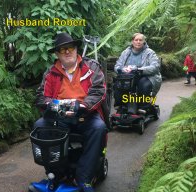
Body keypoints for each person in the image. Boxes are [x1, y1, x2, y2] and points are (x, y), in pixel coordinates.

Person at [35, 32, 106, 192]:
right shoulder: (51, 72)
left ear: (76, 49)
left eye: (70, 48)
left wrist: (82, 107)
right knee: (39, 125)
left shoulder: (91, 67)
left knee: (99, 128)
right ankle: (55, 174)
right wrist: (55, 107)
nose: (67, 52)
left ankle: (84, 178)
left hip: (85, 115)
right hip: (59, 117)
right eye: (62, 49)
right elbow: (40, 96)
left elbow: (99, 91)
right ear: (57, 54)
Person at [114, 33, 162, 112]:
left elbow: (155, 67)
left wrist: (139, 69)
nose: (138, 42)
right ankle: (121, 105)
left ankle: (143, 106)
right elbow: (117, 66)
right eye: (136, 40)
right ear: (132, 41)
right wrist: (122, 69)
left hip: (146, 75)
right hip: (129, 76)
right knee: (119, 83)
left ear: (144, 42)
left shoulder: (150, 53)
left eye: (140, 40)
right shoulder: (126, 52)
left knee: (143, 84)